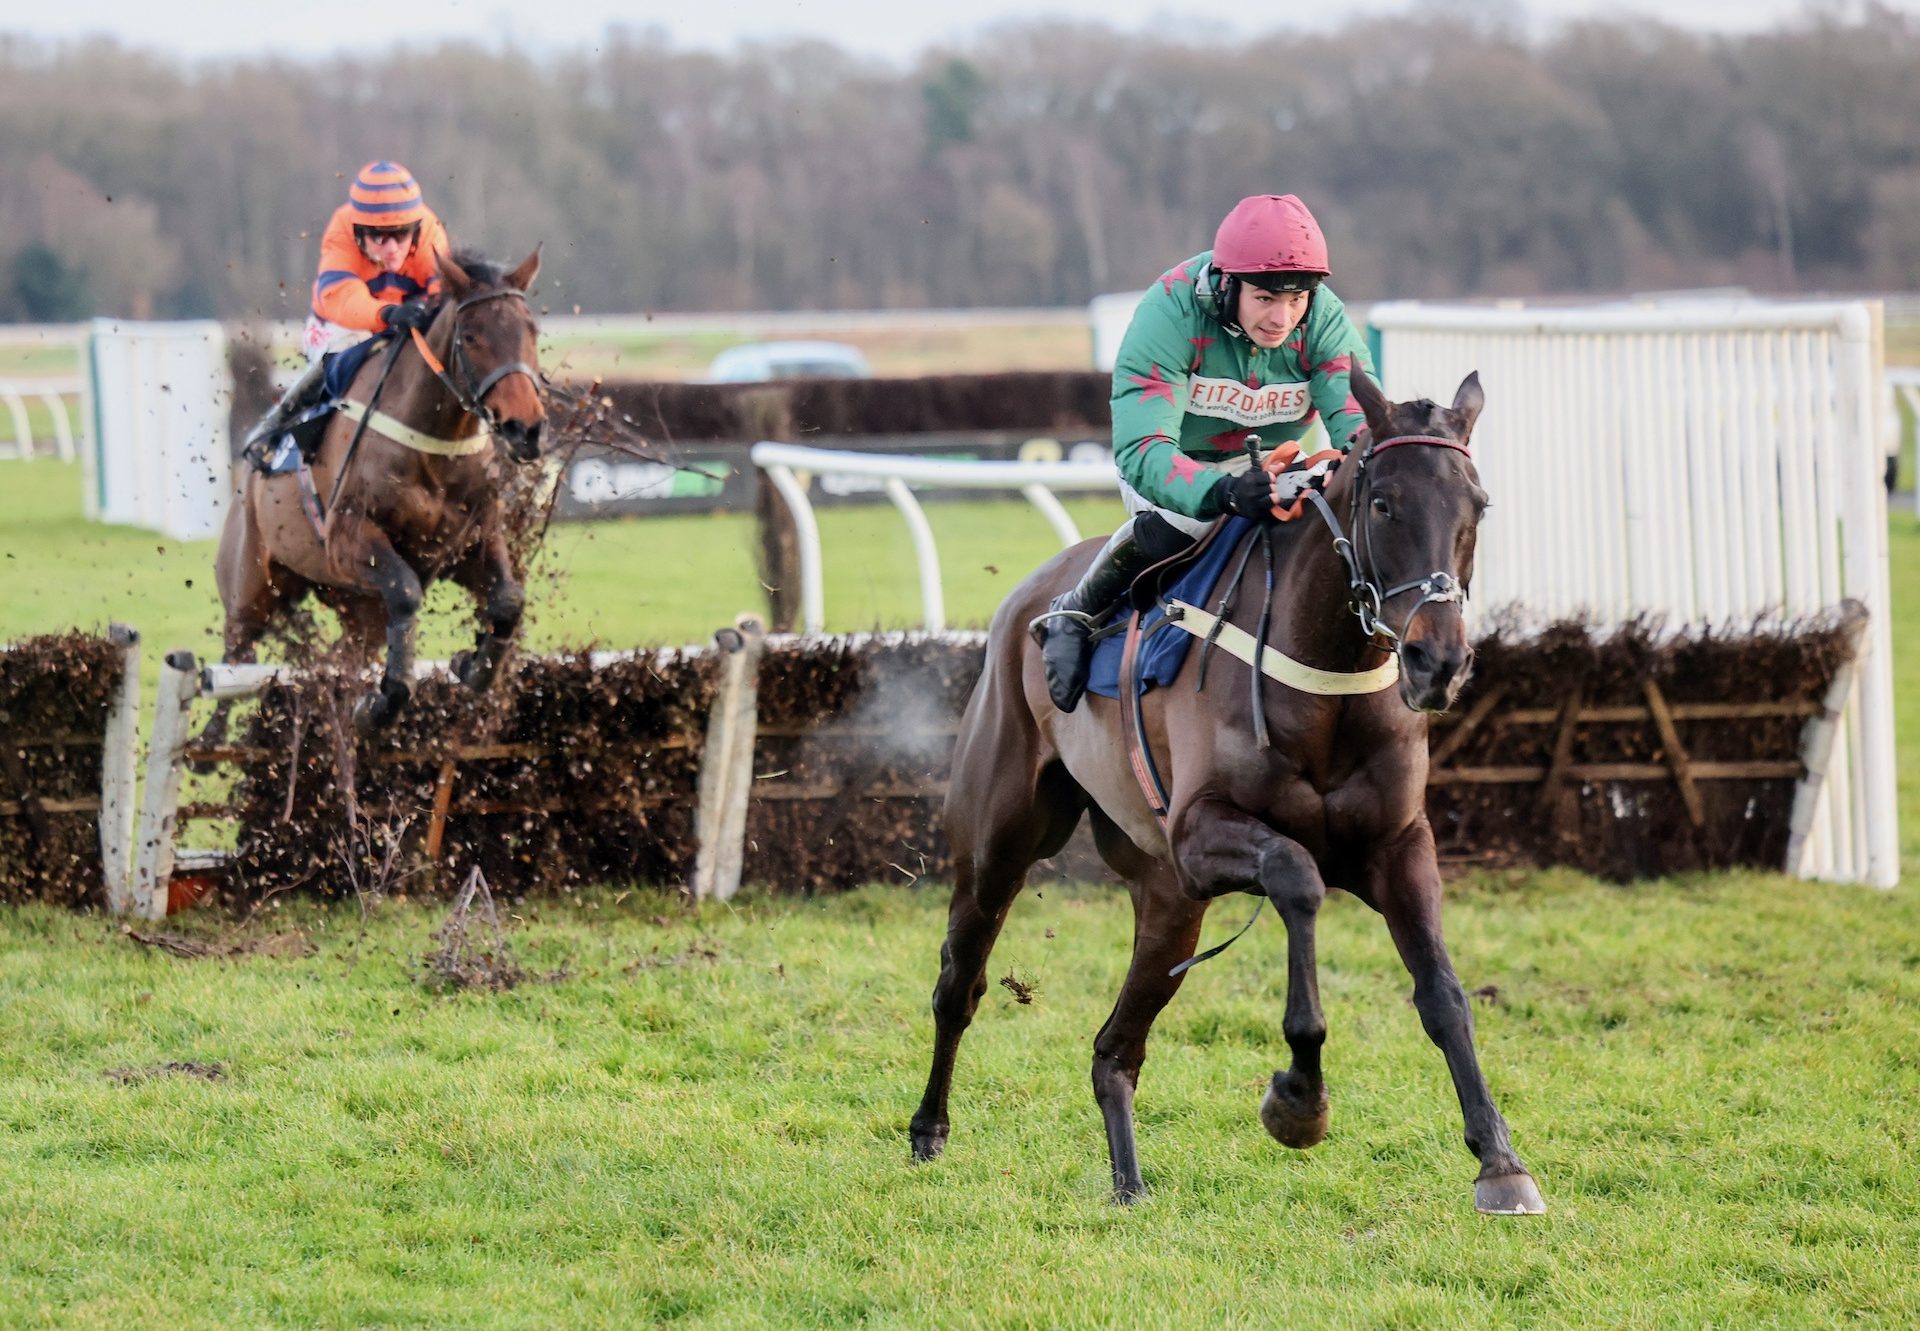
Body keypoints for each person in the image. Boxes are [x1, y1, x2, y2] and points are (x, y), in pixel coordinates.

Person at [1031, 193, 1378, 712]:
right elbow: (1144, 450)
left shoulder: (1324, 319)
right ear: (1227, 283)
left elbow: (1358, 422)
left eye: (1297, 299)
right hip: (1172, 467)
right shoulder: (1168, 314)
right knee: (1192, 525)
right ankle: (1075, 610)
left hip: (1271, 460)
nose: (1283, 319)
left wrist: (1362, 464)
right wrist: (1222, 492)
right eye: (1265, 298)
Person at [242, 161, 452, 457]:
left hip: (403, 315)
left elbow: (443, 291)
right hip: (339, 323)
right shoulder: (340, 231)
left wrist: (430, 311)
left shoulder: (430, 231)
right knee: (341, 351)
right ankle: (275, 429)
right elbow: (341, 296)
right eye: (379, 236)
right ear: (358, 233)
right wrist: (387, 313)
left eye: (401, 234)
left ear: (416, 229)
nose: (391, 248)